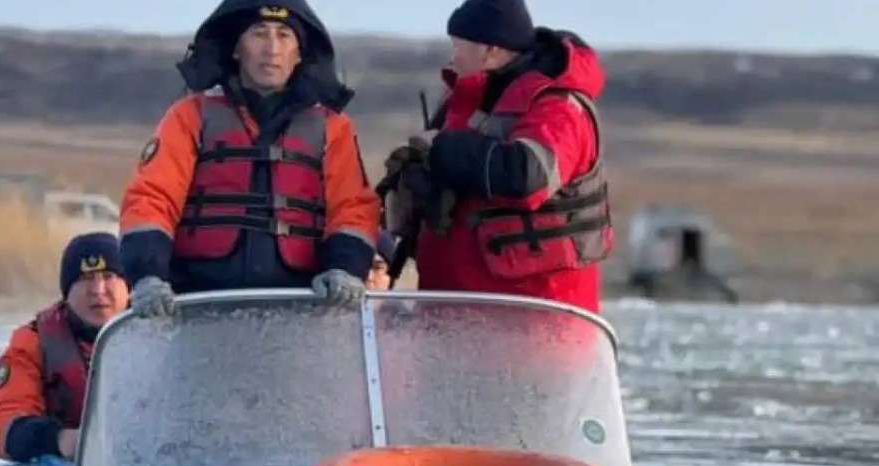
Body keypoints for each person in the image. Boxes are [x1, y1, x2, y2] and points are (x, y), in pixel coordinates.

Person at [118, 0, 382, 317]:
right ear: (235, 48)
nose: (271, 48)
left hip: (300, 313)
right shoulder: (190, 116)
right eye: (259, 33)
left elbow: (353, 206)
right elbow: (151, 197)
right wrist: (147, 275)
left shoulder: (332, 128)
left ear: (300, 53)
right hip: (198, 309)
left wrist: (346, 268)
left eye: (284, 35)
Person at [385, 0, 614, 313]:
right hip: (453, 320)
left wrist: (449, 151)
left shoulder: (558, 107)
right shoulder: (461, 101)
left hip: (539, 326)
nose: (453, 57)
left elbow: (530, 175)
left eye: (458, 46)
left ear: (489, 50)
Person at [0, 233, 130, 463]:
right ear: (67, 293)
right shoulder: (33, 343)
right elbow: (1, 425)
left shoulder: (163, 335)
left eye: (108, 276)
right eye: (85, 279)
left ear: (127, 286)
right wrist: (58, 440)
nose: (98, 290)